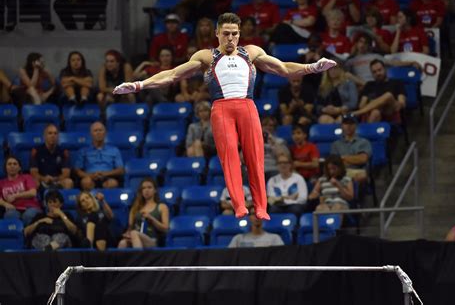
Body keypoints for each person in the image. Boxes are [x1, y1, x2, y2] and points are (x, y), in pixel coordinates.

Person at [113, 12, 336, 220]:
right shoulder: (206, 56)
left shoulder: (251, 52)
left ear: (240, 34)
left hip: (247, 106)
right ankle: (238, 203)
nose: (231, 38)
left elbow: (284, 68)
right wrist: (139, 84)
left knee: (254, 156)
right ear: (217, 33)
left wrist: (312, 67)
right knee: (229, 155)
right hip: (221, 109)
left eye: (235, 34)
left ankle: (260, 206)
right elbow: (172, 75)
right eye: (226, 33)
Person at [118, 178, 169, 248]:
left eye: (149, 187)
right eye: (144, 188)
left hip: (151, 240)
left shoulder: (162, 206)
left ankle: (138, 258)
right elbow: (130, 227)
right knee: (122, 243)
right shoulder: (135, 208)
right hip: (134, 237)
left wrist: (152, 219)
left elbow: (165, 228)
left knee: (134, 233)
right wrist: (127, 234)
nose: (146, 190)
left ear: (155, 190)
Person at [74, 122, 124, 191]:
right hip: (90, 177)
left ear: (105, 133)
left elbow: (120, 170)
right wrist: (90, 175)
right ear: (91, 134)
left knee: (112, 183)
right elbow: (78, 170)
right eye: (95, 130)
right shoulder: (83, 151)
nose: (98, 132)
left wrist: (105, 174)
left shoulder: (114, 150)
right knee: (86, 182)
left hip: (108, 177)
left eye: (100, 130)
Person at [353, 59, 406, 123]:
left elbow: (402, 103)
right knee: (375, 112)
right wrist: (377, 105)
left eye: (379, 70)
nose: (378, 73)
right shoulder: (369, 85)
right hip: (372, 113)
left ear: (385, 69)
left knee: (388, 95)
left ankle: (357, 113)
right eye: (374, 72)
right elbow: (361, 105)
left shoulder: (396, 83)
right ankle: (369, 131)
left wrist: (383, 103)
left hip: (390, 111)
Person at [330, 114, 372, 183]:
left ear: (356, 125)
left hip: (357, 171)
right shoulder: (336, 144)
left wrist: (343, 158)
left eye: (351, 123)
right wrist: (353, 159)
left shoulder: (364, 142)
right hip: (340, 171)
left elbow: (362, 159)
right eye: (346, 123)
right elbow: (334, 162)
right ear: (342, 126)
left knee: (362, 176)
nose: (348, 126)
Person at [30, 124, 74, 190]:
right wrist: (44, 178)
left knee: (68, 182)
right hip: (42, 180)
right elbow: (34, 173)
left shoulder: (63, 152)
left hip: (58, 180)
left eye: (55, 133)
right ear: (44, 136)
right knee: (34, 182)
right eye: (50, 133)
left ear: (58, 136)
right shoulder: (36, 151)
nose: (53, 136)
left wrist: (54, 179)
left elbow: (66, 173)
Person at [0, 155, 42, 225]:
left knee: (27, 215)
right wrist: (5, 204)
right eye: (9, 164)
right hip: (13, 209)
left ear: (19, 168)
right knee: (10, 215)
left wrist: (15, 196)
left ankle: (28, 234)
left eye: (15, 164)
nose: (12, 166)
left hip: (30, 207)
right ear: (5, 167)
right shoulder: (1, 183)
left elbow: (33, 193)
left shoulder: (27, 177)